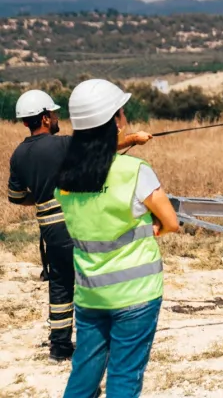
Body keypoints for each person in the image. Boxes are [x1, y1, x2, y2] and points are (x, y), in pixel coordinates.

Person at [53, 79, 180, 398]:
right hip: (136, 294)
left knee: (83, 374)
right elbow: (171, 222)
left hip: (90, 294)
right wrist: (155, 226)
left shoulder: (65, 177)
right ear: (115, 121)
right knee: (124, 377)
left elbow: (93, 159)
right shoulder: (135, 171)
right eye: (122, 113)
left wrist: (130, 140)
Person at [6, 89, 153, 362]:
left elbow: (15, 197)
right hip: (76, 223)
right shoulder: (61, 144)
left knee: (60, 285)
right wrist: (134, 139)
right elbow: (98, 147)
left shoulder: (18, 155)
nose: (58, 116)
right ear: (46, 118)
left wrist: (41, 198)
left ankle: (59, 347)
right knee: (97, 277)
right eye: (55, 113)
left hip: (50, 229)